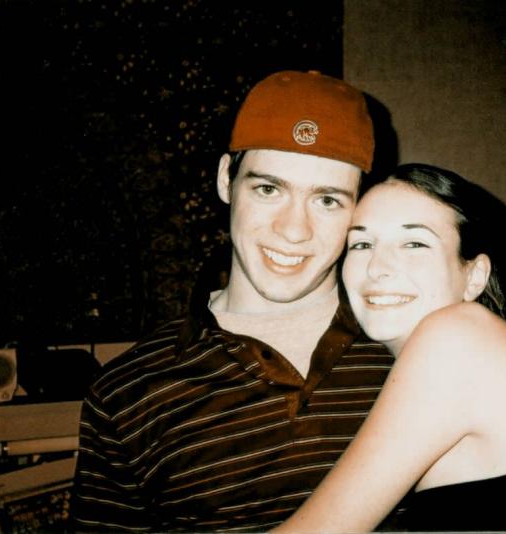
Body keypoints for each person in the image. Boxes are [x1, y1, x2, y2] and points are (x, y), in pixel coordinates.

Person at [71, 70, 396, 531]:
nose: (293, 230)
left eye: (327, 200)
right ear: (227, 179)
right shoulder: (126, 393)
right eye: (268, 189)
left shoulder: (413, 348)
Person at [274, 164, 506, 532]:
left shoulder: (457, 339)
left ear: (475, 276)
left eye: (414, 243)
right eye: (361, 244)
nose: (376, 267)